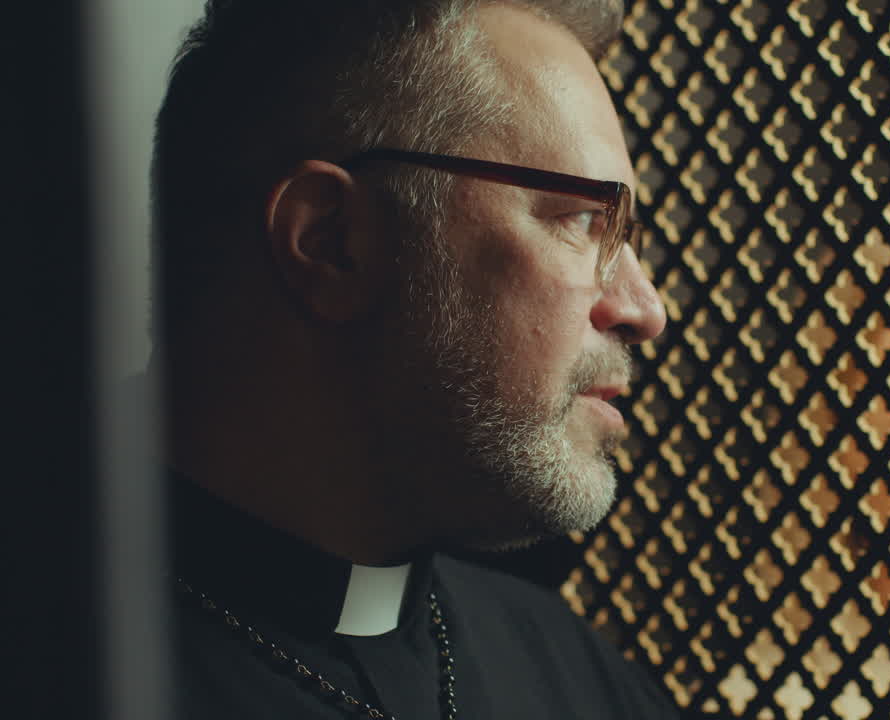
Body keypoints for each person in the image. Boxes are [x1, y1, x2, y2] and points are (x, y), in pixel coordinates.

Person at [151, 0, 675, 717]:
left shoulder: (578, 673)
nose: (647, 311)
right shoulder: (59, 659)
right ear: (333, 243)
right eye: (584, 222)